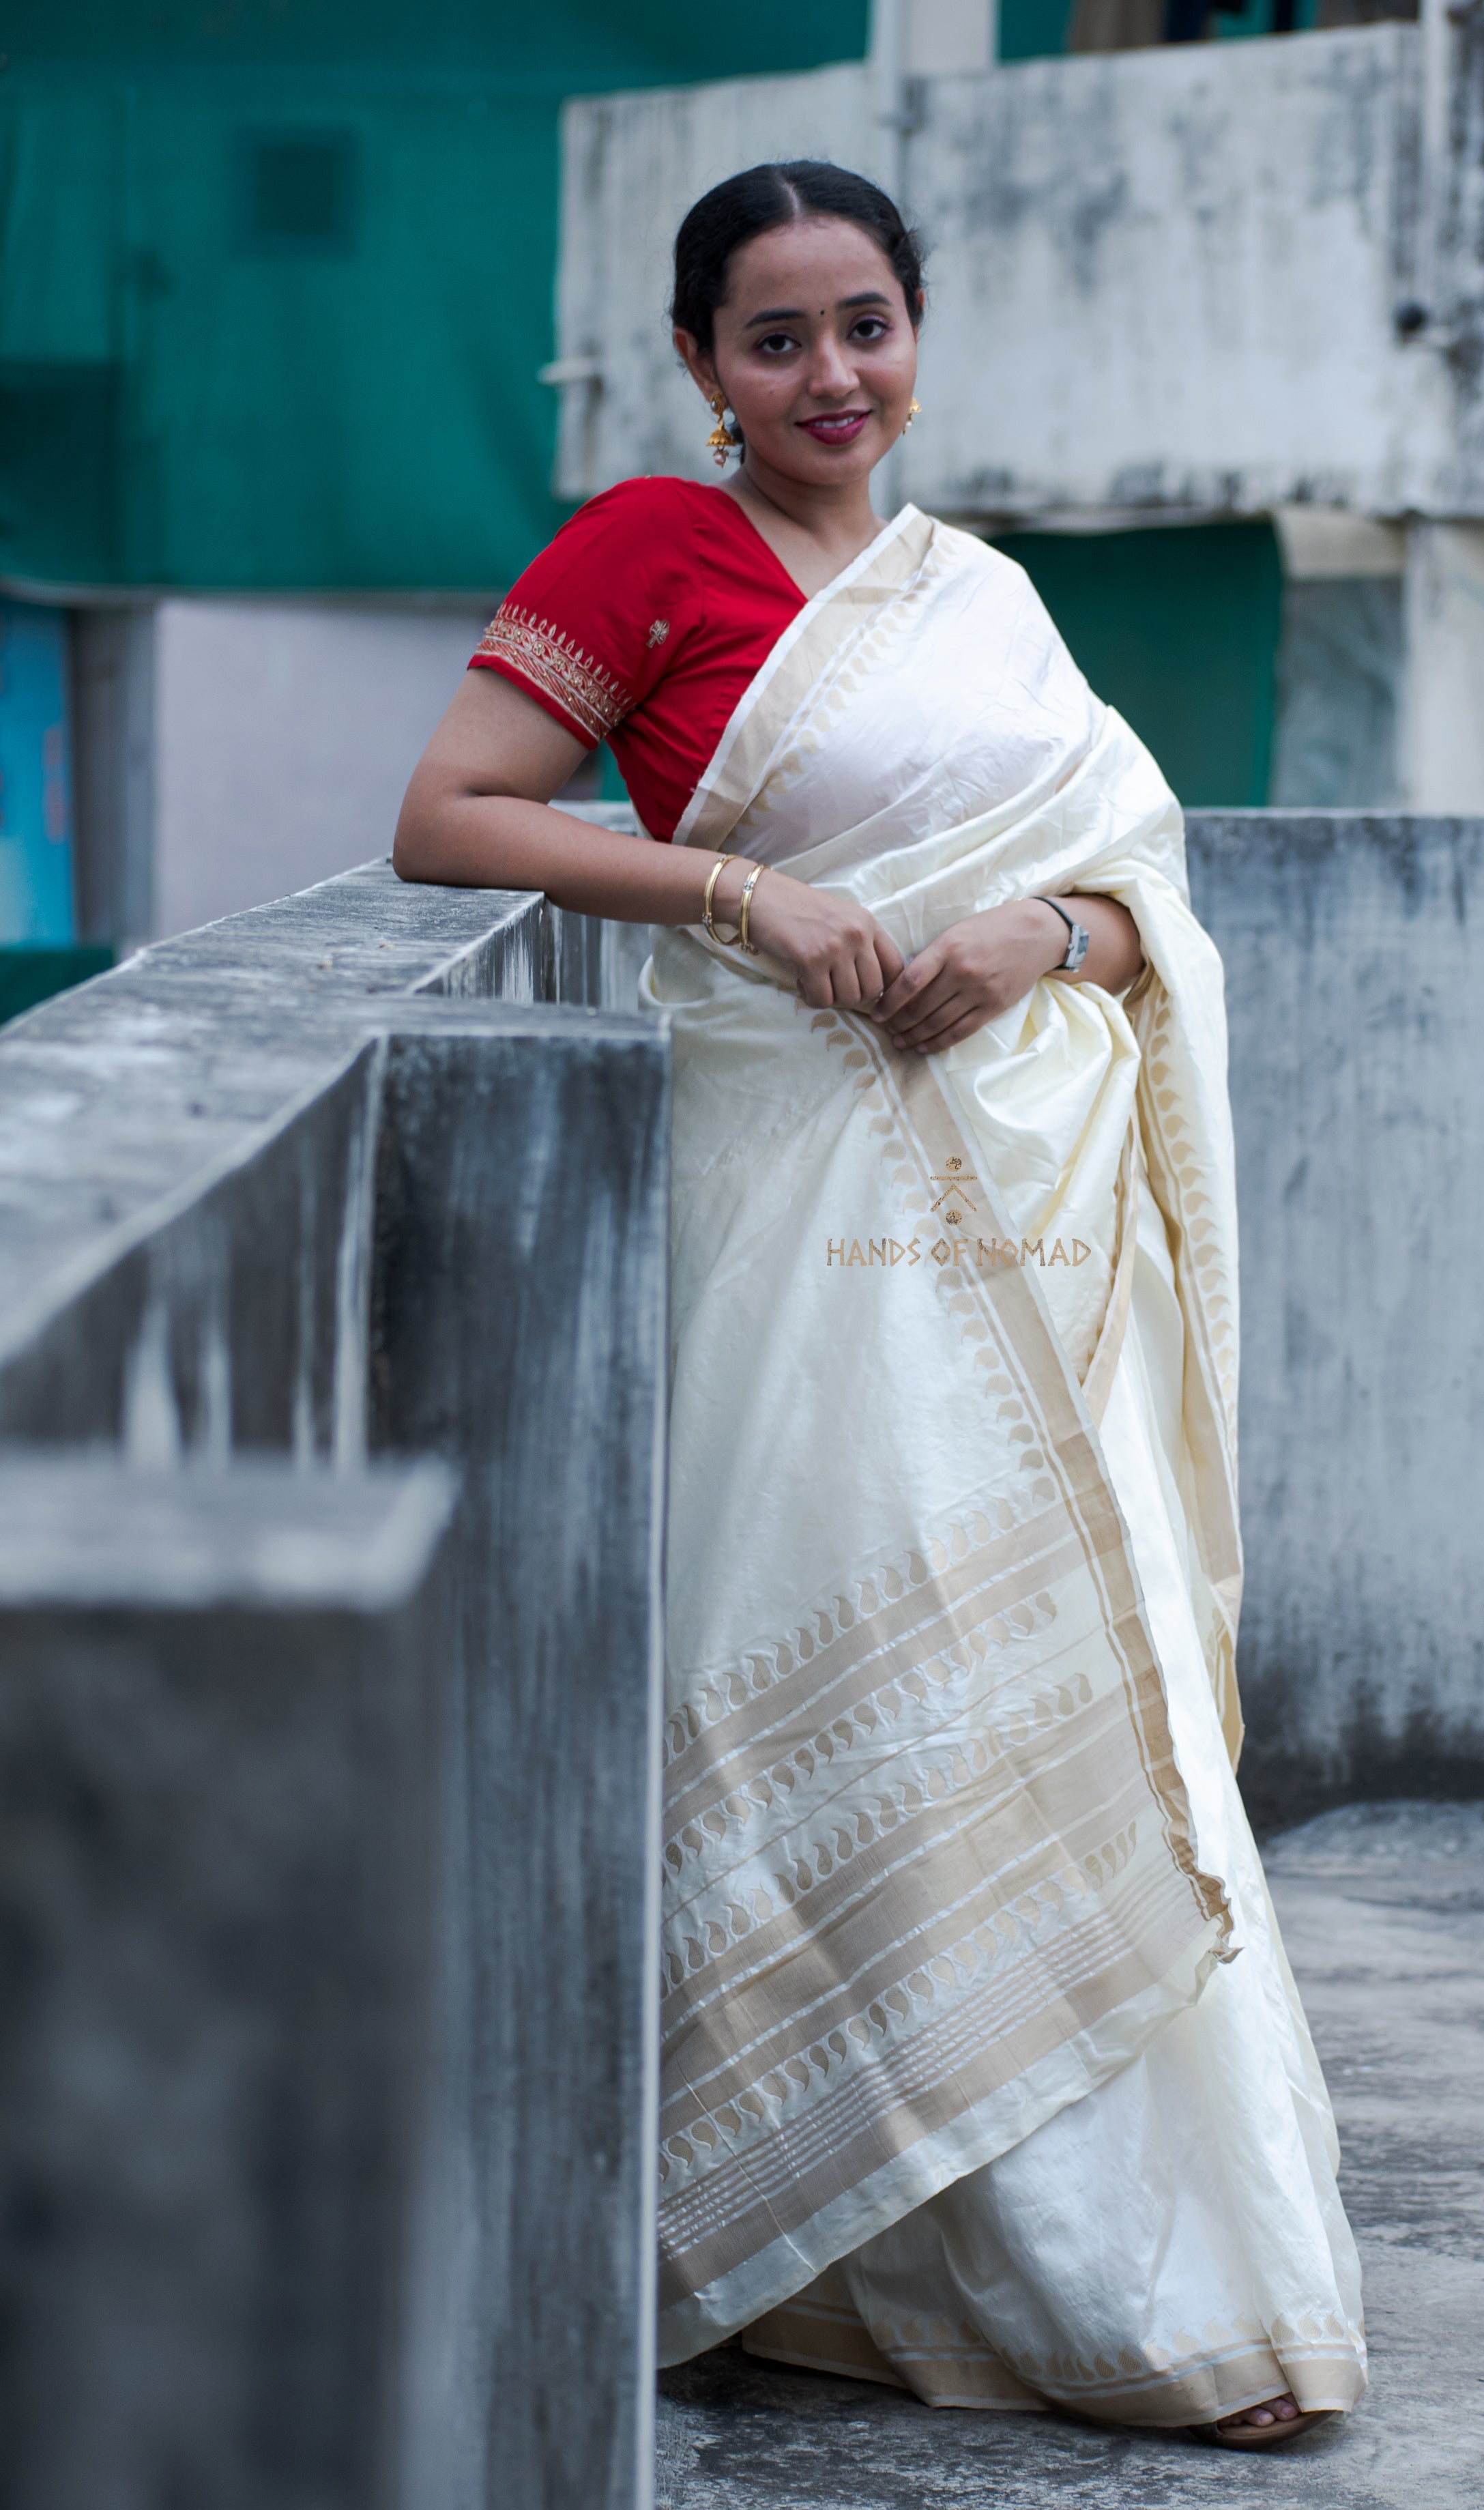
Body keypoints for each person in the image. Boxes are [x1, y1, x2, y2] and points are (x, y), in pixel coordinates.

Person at [394, 159, 1365, 2449]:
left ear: (915, 332)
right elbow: (451, 816)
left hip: (1030, 1238)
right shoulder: (648, 552)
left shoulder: (986, 596)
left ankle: (1133, 2290)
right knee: (820, 1667)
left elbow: (1133, 885)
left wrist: (1045, 940)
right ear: (700, 369)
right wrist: (734, 889)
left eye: (866, 326)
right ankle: (798, 2234)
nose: (831, 377)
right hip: (786, 1202)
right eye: (776, 338)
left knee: (1057, 1674)